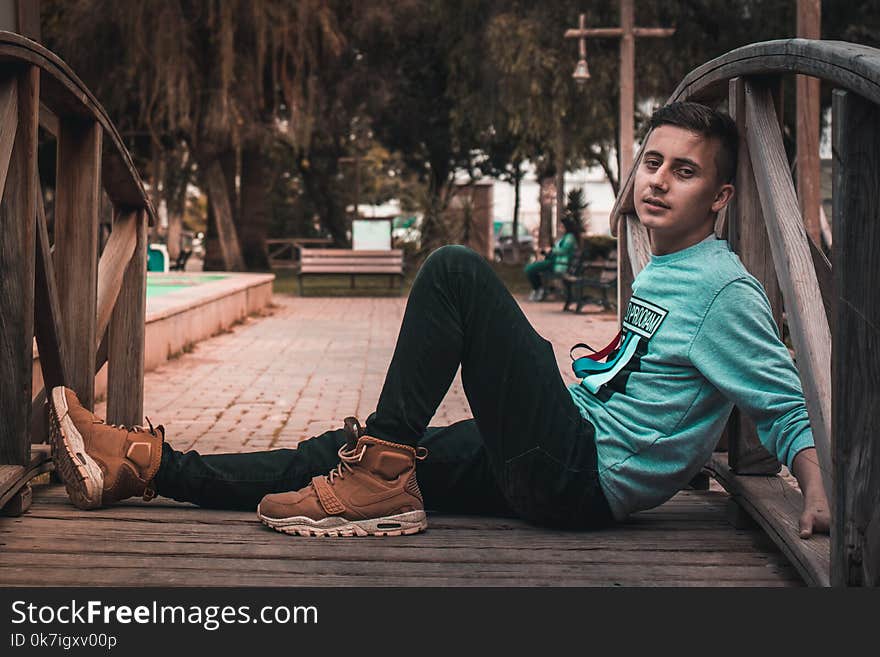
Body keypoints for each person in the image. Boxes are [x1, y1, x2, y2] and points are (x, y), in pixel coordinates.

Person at [48, 102, 830, 540]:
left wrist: (818, 492)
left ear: (721, 198)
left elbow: (783, 399)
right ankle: (146, 466)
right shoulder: (668, 266)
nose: (657, 181)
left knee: (456, 270)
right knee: (346, 449)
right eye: (652, 161)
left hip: (579, 475)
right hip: (558, 453)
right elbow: (661, 381)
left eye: (685, 171)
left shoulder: (725, 289)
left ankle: (377, 481)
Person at [524, 215, 581, 301]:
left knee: (530, 269)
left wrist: (550, 250)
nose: (559, 228)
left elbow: (563, 250)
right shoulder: (566, 237)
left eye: (561, 226)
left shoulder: (569, 237)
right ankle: (538, 289)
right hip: (554, 261)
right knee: (531, 268)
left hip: (558, 264)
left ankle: (538, 289)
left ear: (566, 226)